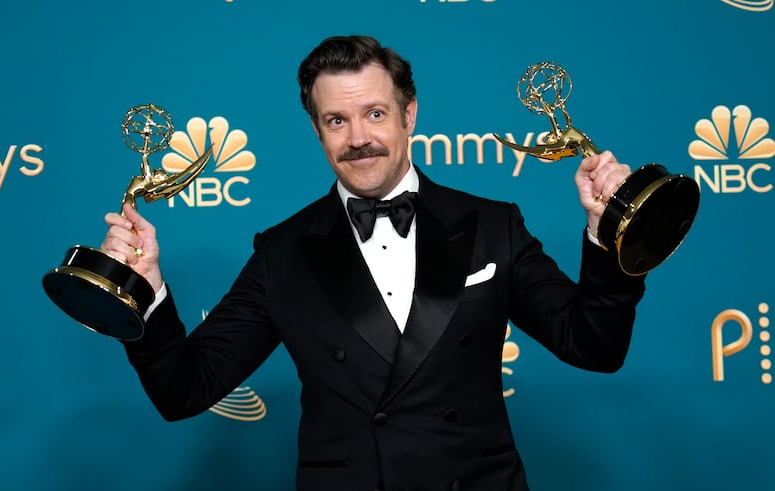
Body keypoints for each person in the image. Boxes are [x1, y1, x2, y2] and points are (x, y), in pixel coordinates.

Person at [101, 35, 646, 491]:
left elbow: (594, 345)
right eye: (336, 120)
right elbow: (184, 390)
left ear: (409, 114)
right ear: (316, 130)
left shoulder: (492, 226)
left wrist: (608, 237)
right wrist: (143, 292)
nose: (358, 138)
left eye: (375, 113)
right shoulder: (282, 252)